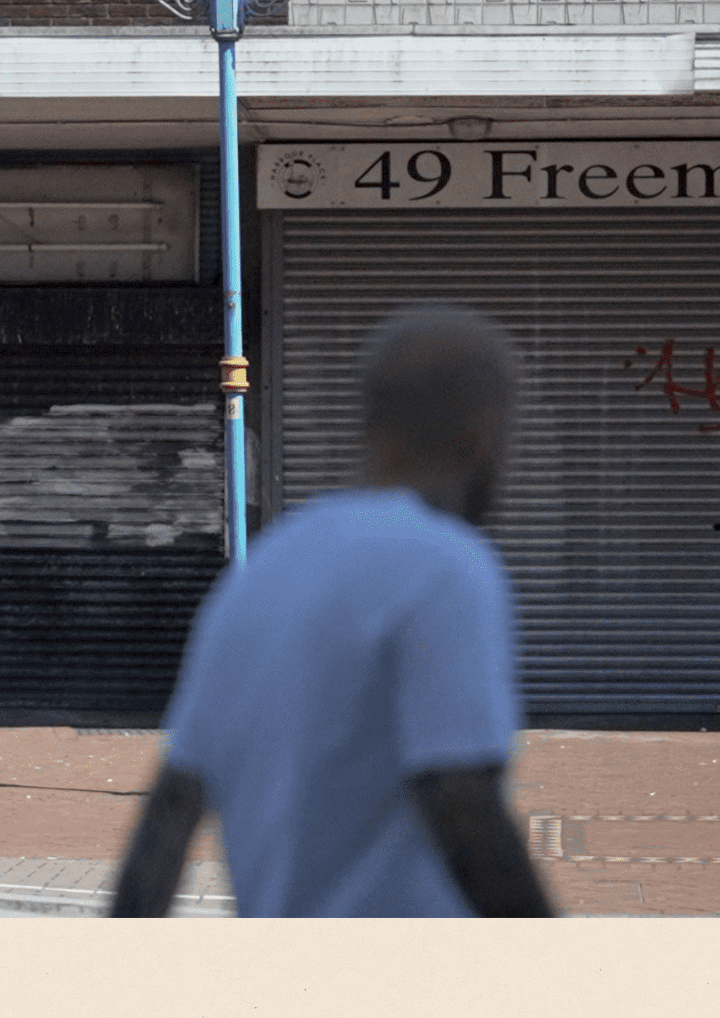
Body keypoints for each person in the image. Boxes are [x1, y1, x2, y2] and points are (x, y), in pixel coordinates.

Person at [109, 303, 554, 917]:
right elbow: (462, 801)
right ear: (481, 432)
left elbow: (171, 808)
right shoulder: (446, 565)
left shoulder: (261, 572)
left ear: (372, 424)